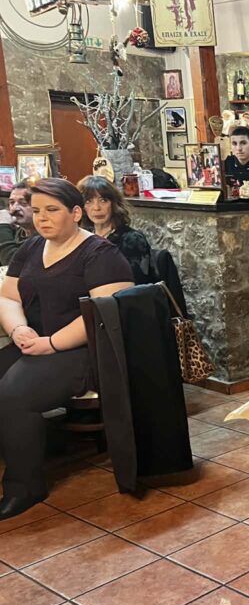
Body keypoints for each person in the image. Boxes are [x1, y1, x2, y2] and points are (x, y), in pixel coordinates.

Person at [0, 178, 134, 519]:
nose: (42, 218)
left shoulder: (101, 254)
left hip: (86, 351)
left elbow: (104, 314)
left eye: (52, 210)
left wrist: (51, 343)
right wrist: (18, 328)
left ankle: (24, 487)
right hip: (36, 341)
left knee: (14, 393)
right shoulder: (32, 247)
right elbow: (8, 297)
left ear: (76, 213)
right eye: (37, 211)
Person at [78, 176, 155, 285]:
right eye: (88, 201)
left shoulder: (132, 239)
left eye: (103, 200)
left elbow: (136, 286)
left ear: (114, 204)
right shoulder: (84, 237)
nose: (96, 208)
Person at [0, 181, 36, 266]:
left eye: (23, 203)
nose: (14, 208)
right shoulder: (16, 232)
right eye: (12, 202)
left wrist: (3, 226)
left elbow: (14, 265)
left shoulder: (44, 237)